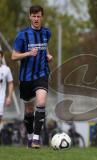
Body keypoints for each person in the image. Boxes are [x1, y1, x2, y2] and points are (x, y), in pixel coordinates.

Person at [12, 5, 53, 149]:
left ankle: (36, 139)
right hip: (26, 78)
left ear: (42, 17)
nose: (36, 19)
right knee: (29, 111)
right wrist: (28, 53)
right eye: (34, 16)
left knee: (41, 102)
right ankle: (29, 138)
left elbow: (45, 45)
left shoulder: (46, 32)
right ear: (30, 17)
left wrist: (47, 55)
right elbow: (13, 56)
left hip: (41, 74)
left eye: (39, 16)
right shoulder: (22, 35)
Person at [0, 47, 14, 126]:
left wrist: (9, 97)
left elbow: (10, 83)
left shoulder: (6, 69)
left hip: (1, 98)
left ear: (1, 57)